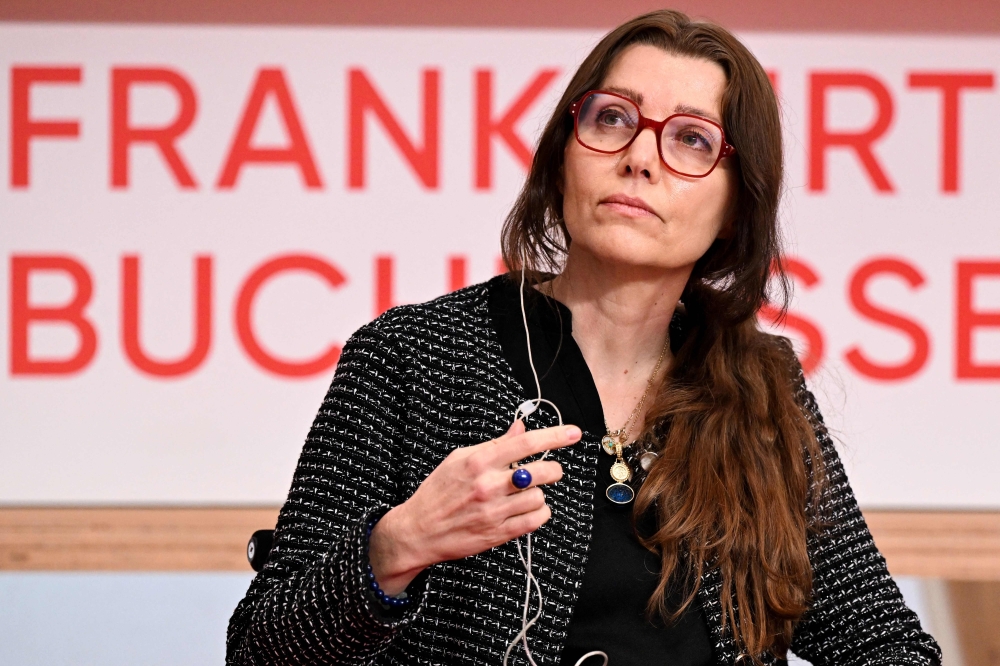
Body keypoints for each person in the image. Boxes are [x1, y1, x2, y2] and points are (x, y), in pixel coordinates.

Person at [226, 10, 941, 666]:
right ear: (563, 153)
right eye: (612, 119)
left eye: (692, 139)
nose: (640, 158)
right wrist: (394, 550)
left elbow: (883, 644)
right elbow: (260, 651)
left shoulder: (758, 388)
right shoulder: (413, 358)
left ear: (735, 204)